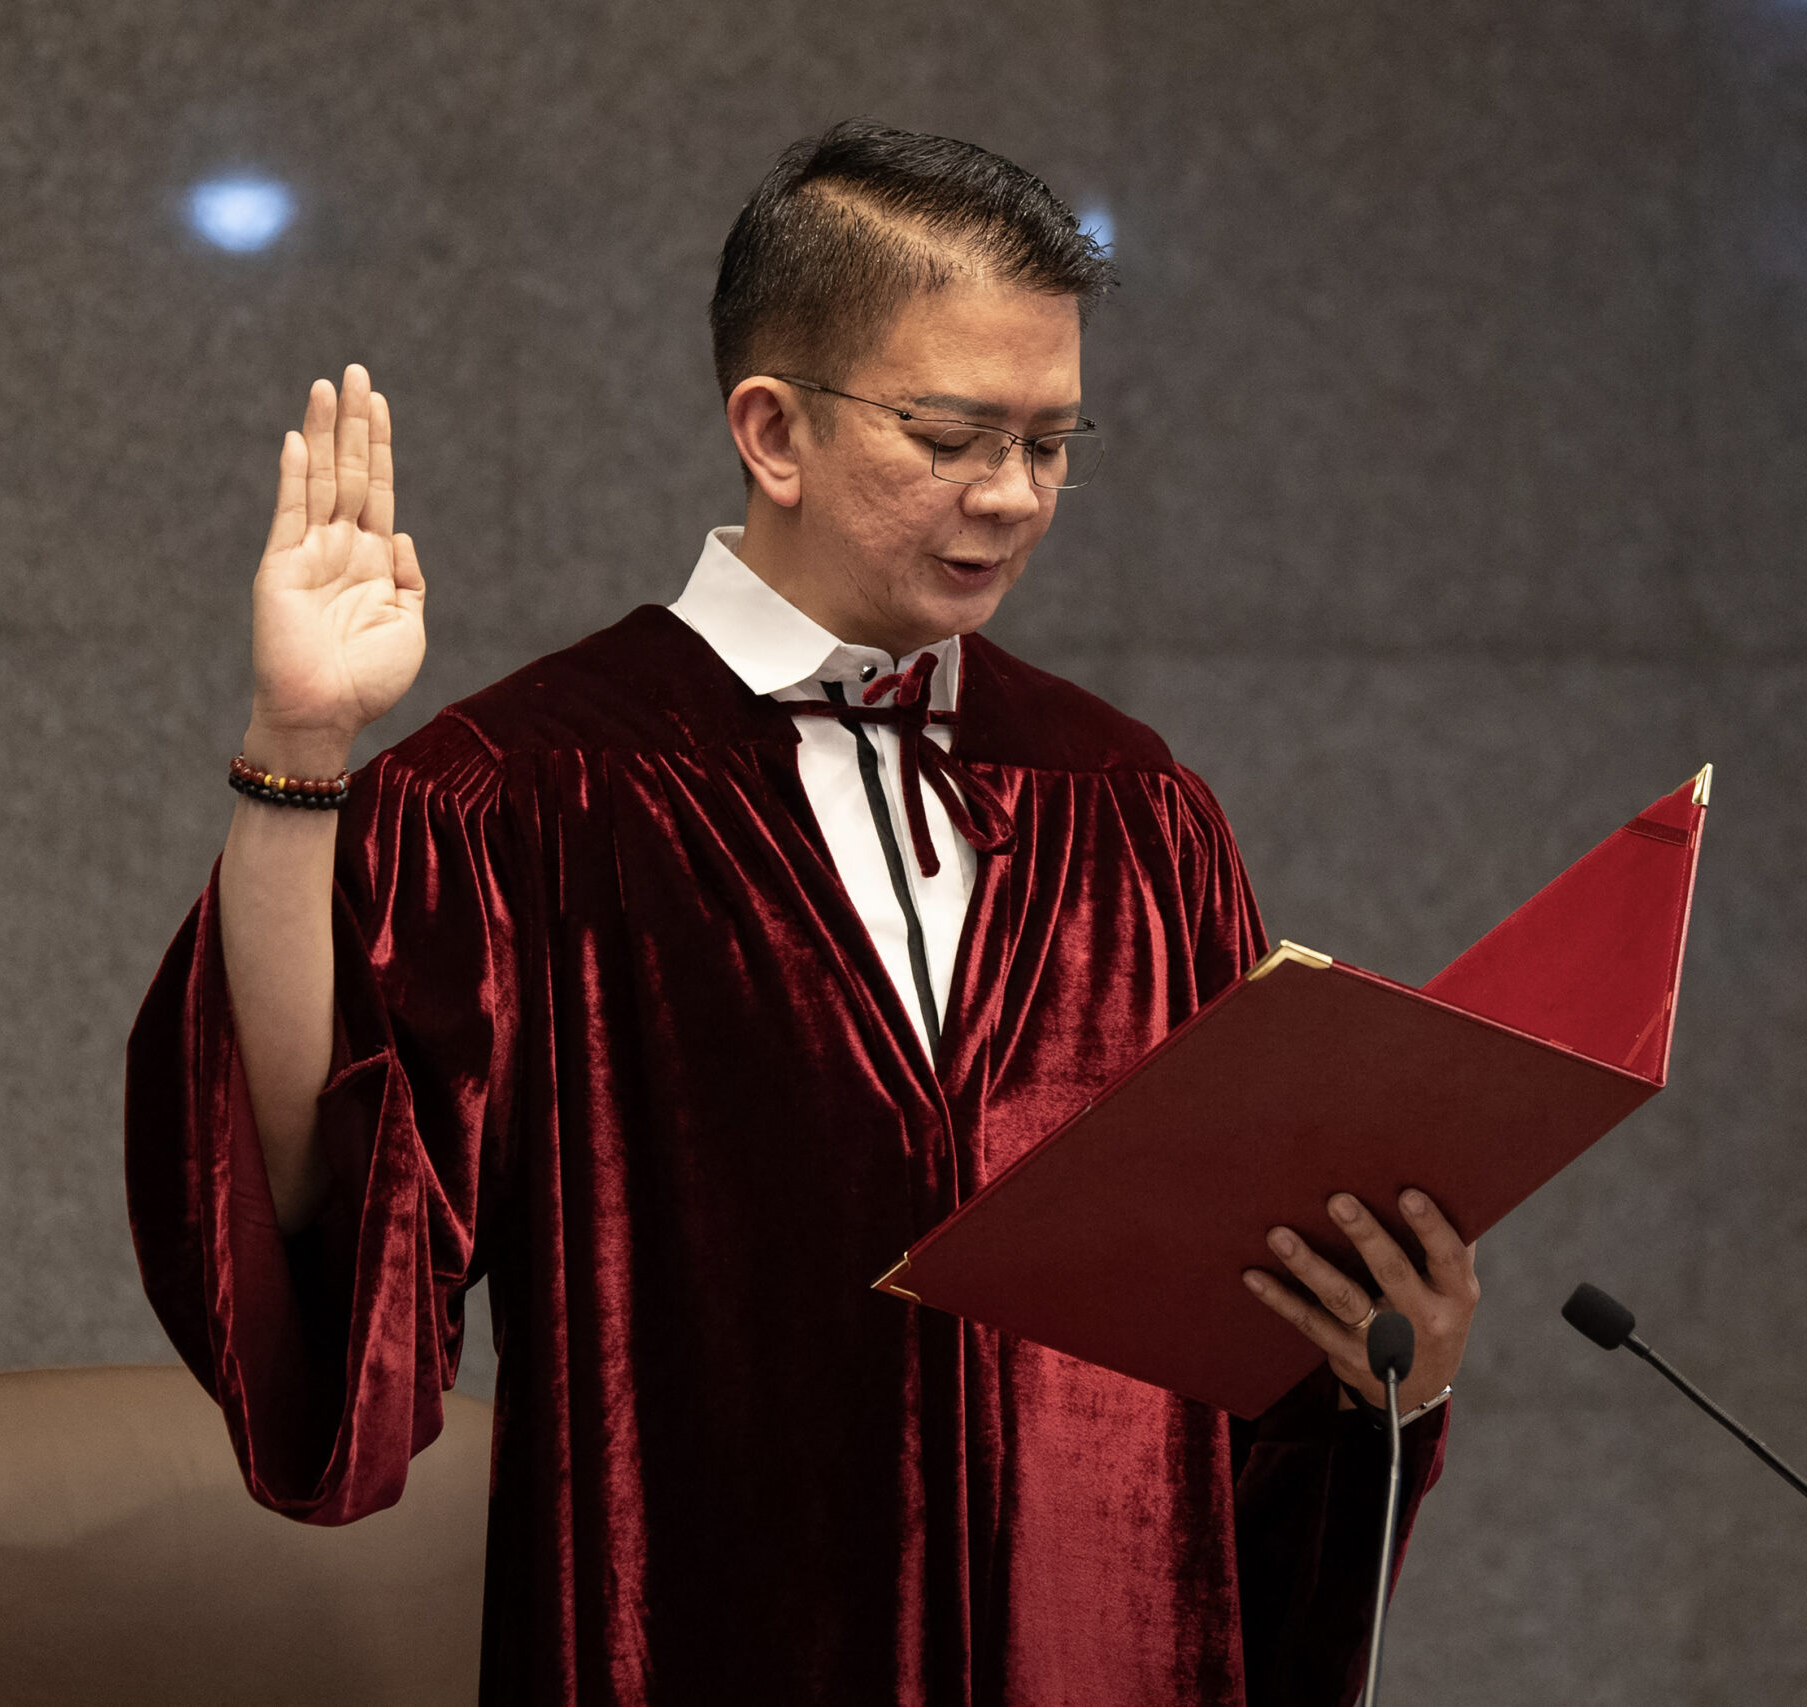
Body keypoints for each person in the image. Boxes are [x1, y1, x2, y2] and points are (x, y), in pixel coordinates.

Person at [127, 121, 1480, 1706]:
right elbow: (320, 1201)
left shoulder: (1126, 803)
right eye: (955, 435)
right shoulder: (541, 790)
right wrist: (300, 755)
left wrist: (1379, 1363)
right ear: (772, 429)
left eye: (1052, 442)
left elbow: (1232, 1353)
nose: (1014, 497)